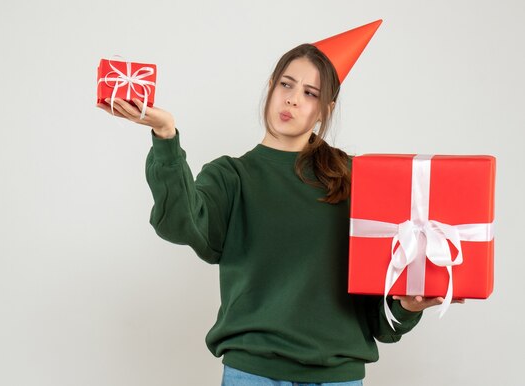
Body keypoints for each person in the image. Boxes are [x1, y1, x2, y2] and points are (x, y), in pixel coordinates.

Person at [97, 21, 460, 385]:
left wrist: (407, 306)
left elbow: (380, 312)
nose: (293, 99)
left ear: (324, 109)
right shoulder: (231, 176)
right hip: (253, 372)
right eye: (287, 85)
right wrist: (165, 135)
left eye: (310, 93)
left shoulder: (355, 179)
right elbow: (180, 222)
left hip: (338, 375)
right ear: (271, 88)